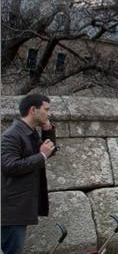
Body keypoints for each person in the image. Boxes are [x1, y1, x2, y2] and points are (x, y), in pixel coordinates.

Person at [1, 94, 56, 254]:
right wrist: (42, 156)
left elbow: (49, 151)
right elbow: (9, 166)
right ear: (33, 110)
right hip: (10, 211)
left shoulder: (29, 132)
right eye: (46, 109)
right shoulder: (11, 136)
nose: (48, 113)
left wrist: (48, 130)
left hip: (19, 208)